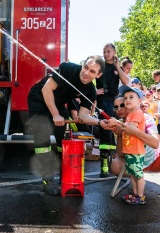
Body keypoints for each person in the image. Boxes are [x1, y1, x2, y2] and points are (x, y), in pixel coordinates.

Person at [27, 56, 105, 196]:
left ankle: (65, 176)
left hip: (57, 102)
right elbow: (46, 90)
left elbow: (82, 116)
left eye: (92, 71)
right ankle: (47, 180)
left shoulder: (91, 91)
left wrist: (100, 122)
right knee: (42, 138)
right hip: (38, 97)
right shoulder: (68, 69)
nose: (86, 73)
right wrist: (56, 115)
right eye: (85, 67)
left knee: (61, 138)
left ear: (98, 75)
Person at [108, 92, 160, 205]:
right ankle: (137, 191)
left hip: (155, 159)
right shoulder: (121, 123)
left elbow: (156, 143)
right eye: (116, 107)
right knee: (116, 164)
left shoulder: (144, 117)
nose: (119, 109)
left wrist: (133, 130)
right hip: (133, 159)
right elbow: (121, 155)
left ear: (136, 102)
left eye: (122, 105)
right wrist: (119, 135)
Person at [95, 43, 130, 178]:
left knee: (114, 132)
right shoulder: (99, 66)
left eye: (108, 51)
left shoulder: (117, 67)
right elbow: (88, 81)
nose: (106, 54)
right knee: (105, 129)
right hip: (103, 101)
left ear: (114, 52)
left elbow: (126, 81)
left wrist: (117, 66)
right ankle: (104, 166)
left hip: (114, 103)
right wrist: (96, 91)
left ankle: (112, 164)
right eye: (104, 51)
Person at [113, 86, 147, 205]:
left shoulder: (137, 113)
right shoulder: (129, 115)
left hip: (136, 150)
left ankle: (141, 196)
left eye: (131, 97)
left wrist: (117, 123)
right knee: (133, 174)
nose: (127, 100)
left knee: (138, 174)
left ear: (139, 100)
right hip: (130, 150)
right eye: (126, 98)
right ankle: (136, 194)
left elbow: (131, 128)